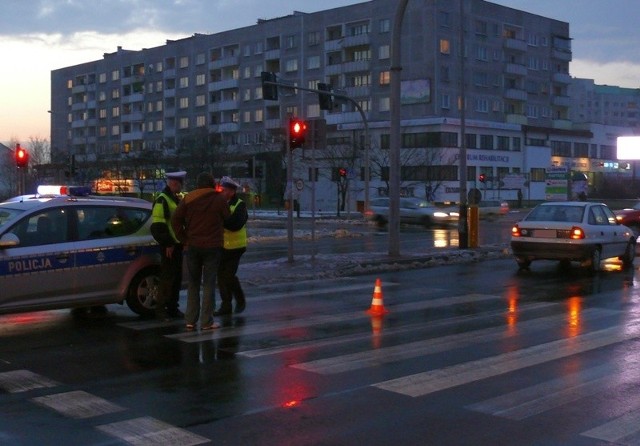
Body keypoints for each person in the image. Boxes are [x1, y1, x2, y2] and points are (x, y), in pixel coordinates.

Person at [171, 172, 230, 331]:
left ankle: (190, 320)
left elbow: (175, 219)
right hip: (213, 246)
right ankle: (206, 321)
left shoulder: (188, 198)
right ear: (211, 184)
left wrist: (184, 238)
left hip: (193, 246)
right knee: (209, 283)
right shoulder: (219, 199)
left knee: (193, 283)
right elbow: (227, 217)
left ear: (197, 184)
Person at [151, 170, 186, 321]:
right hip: (169, 246)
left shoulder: (176, 198)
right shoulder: (162, 200)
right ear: (172, 184)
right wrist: (168, 244)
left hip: (176, 245)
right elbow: (158, 225)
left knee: (176, 278)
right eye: (177, 184)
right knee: (167, 278)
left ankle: (172, 308)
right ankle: (161, 310)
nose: (179, 187)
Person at [214, 176, 248, 316]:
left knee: (228, 275)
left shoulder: (239, 205)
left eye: (225, 189)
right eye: (222, 189)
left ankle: (239, 299)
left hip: (236, 247)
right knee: (221, 276)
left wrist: (221, 221)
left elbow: (236, 224)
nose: (222, 191)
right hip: (222, 246)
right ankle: (226, 305)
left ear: (232, 192)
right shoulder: (220, 203)